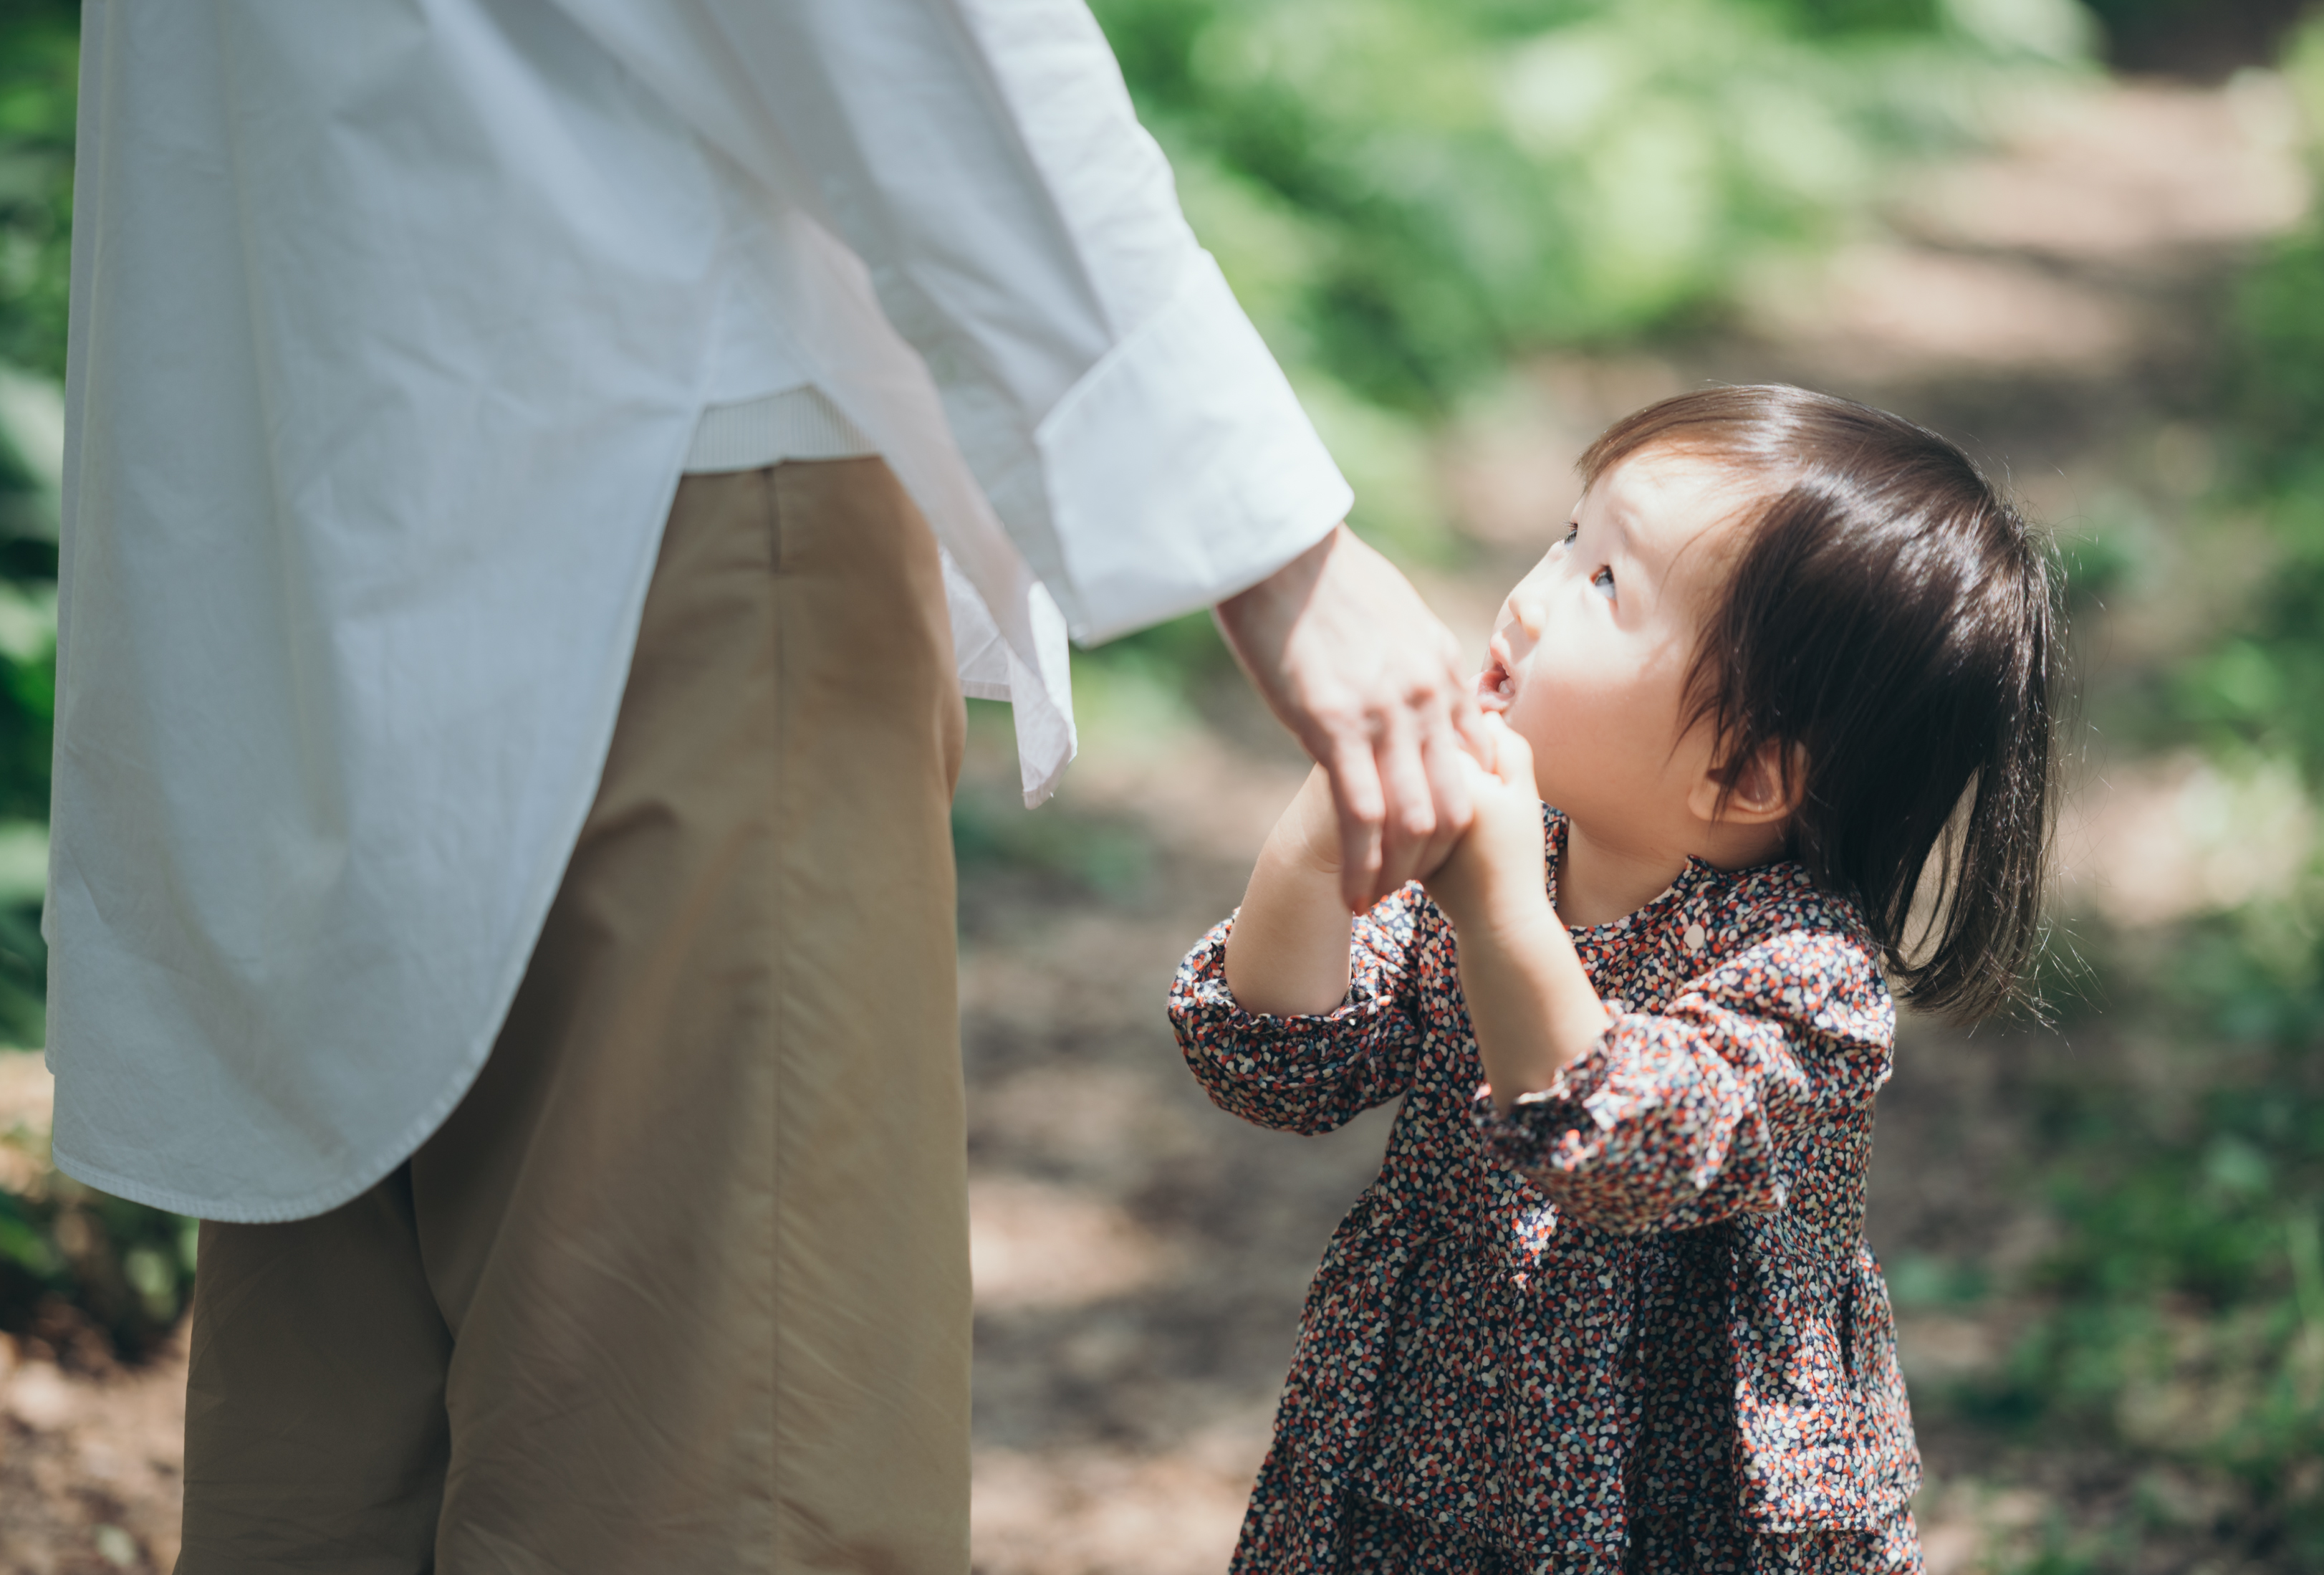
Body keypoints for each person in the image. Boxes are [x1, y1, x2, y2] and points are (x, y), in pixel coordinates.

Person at [47, 3, 1479, 1570]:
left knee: (336, 1475)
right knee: (720, 1484)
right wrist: (1272, 544)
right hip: (661, 467)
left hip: (287, 467)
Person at [1171, 385, 2061, 1572]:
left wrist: (1496, 910)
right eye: (1564, 538)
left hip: (1687, 1495)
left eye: (1602, 584)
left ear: (1744, 772)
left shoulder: (1806, 978)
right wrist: (1321, 838)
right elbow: (1282, 1061)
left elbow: (1618, 1143)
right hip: (1432, 1441)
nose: (1531, 600)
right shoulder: (1518, 853)